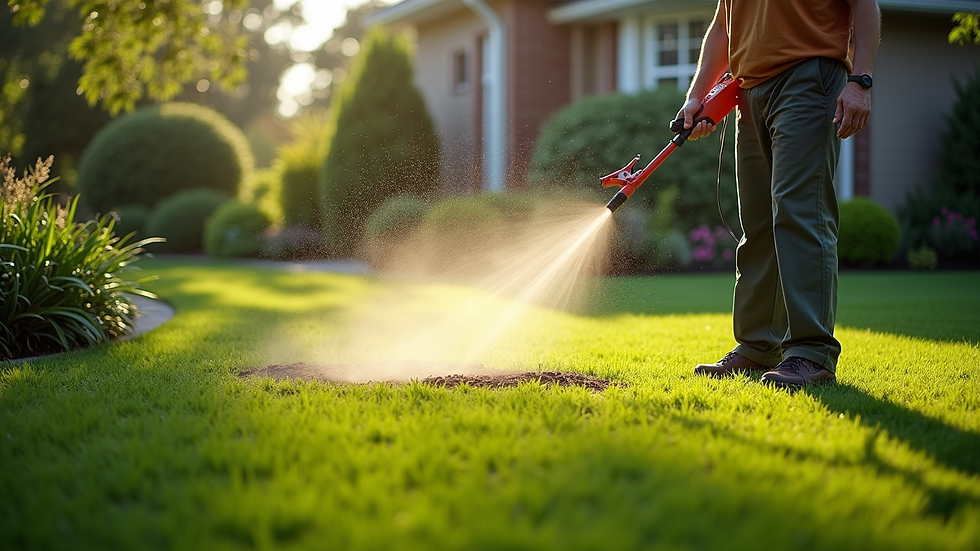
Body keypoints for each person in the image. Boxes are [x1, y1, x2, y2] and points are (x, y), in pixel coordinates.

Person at [685, 0, 881, 387]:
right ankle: (757, 347)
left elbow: (864, 4)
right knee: (757, 226)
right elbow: (723, 24)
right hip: (749, 90)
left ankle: (811, 352)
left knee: (799, 212)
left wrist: (860, 80)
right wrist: (697, 95)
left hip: (808, 76)